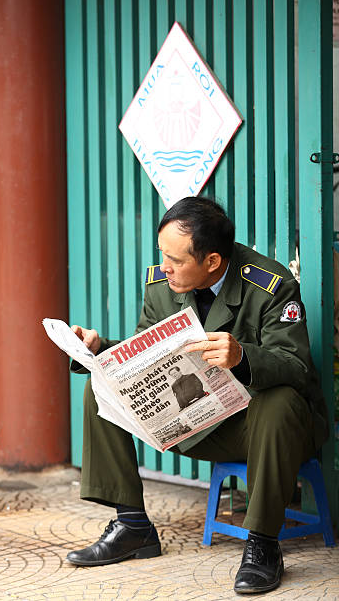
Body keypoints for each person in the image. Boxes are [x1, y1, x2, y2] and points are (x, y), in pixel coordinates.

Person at [66, 196, 328, 595]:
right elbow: (145, 355)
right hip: (196, 418)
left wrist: (242, 357)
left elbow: (297, 366)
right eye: (162, 254)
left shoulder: (270, 285)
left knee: (279, 402)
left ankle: (262, 544)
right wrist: (101, 350)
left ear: (212, 262)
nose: (164, 267)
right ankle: (132, 525)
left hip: (268, 428)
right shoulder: (162, 284)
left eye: (176, 259)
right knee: (99, 385)